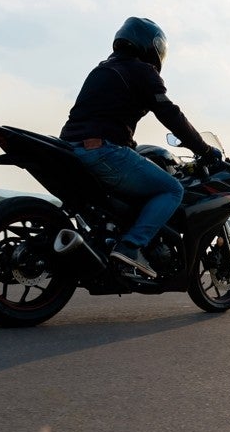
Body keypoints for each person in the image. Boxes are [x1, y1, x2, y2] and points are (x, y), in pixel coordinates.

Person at [60, 17, 221, 279]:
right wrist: (204, 149)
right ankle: (131, 247)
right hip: (102, 151)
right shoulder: (142, 71)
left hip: (69, 148)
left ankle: (107, 240)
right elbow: (171, 115)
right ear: (151, 45)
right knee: (171, 189)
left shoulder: (102, 69)